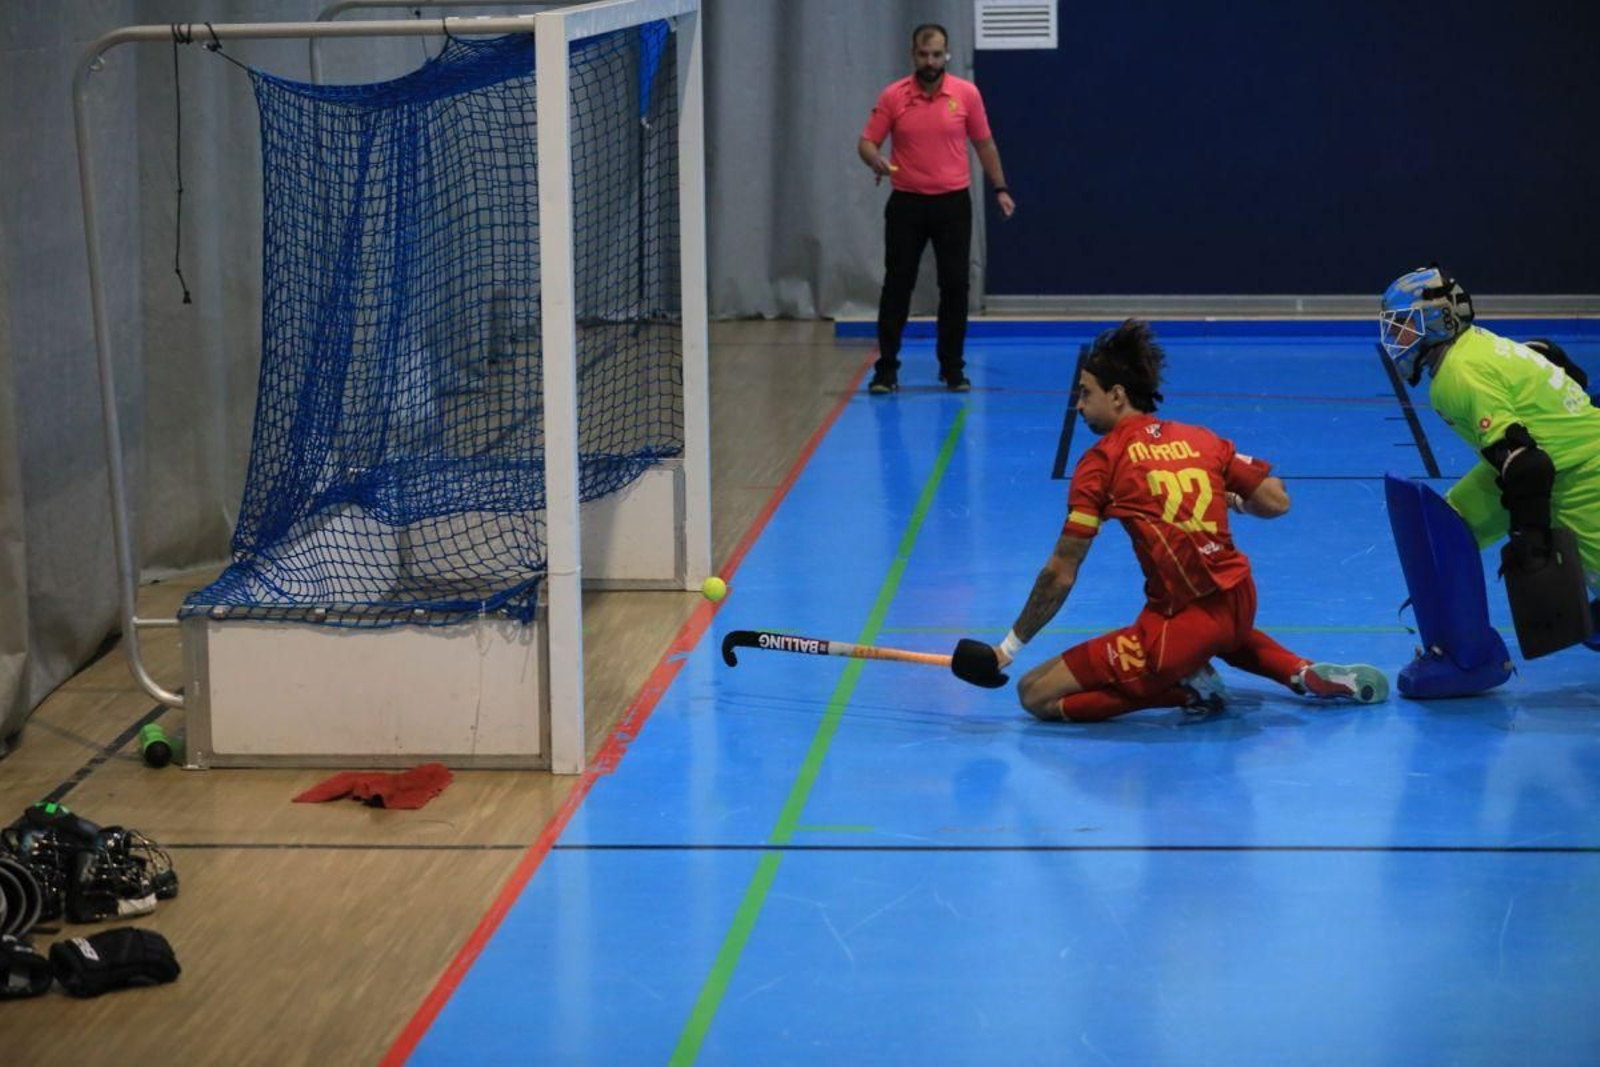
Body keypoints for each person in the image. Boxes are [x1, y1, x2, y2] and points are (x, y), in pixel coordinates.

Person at [986, 319, 1388, 722]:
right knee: (1222, 633)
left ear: (1117, 395)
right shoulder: (1201, 438)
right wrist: (1233, 499)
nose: (1078, 405)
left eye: (1085, 393)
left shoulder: (1102, 461)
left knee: (1034, 693)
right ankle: (1299, 671)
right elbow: (1276, 501)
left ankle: (1186, 689)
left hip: (1178, 628)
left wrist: (1008, 647)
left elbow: (1060, 573)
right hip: (1240, 603)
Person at [1378, 265, 1600, 697]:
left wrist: (1530, 542)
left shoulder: (1457, 374)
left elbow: (1528, 467)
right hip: (1554, 457)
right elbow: (1568, 376)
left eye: (1404, 327)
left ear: (1437, 321)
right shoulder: (1473, 346)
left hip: (1581, 474)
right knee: (1446, 528)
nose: (1397, 340)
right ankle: (1468, 656)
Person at [858, 23, 1015, 396]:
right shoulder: (894, 96)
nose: (930, 61)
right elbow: (867, 142)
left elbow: (985, 144)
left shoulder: (966, 94)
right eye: (923, 54)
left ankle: (952, 368)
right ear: (913, 55)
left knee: (955, 286)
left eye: (936, 54)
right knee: (897, 286)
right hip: (907, 205)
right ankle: (886, 370)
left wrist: (1000, 188)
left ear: (946, 55)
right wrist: (874, 159)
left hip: (952, 205)